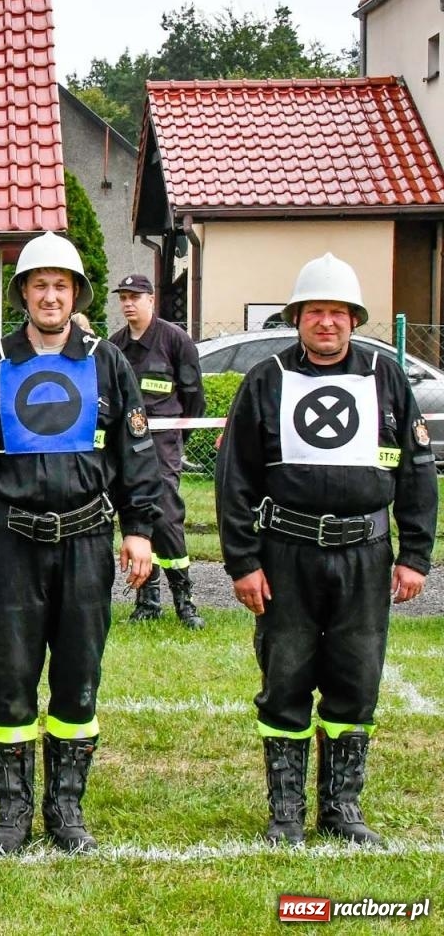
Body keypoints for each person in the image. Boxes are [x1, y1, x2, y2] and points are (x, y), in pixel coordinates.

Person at [0, 231, 160, 854]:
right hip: (12, 541)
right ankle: (12, 815)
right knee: (9, 678)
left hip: (87, 540)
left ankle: (66, 811)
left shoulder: (106, 361)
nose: (49, 295)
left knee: (77, 680)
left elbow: (134, 453)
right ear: (22, 294)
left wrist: (139, 528)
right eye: (38, 285)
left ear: (75, 294)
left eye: (60, 286)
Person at [216, 253, 435, 846]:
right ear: (297, 318)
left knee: (355, 680)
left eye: (338, 312)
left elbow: (417, 472)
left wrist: (414, 555)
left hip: (365, 556)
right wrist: (243, 561)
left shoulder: (386, 378)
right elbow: (235, 476)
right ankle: (285, 811)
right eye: (315, 311)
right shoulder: (266, 380)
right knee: (285, 678)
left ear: (355, 319)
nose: (327, 323)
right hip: (287, 553)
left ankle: (341, 808)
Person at [110, 274, 207, 628]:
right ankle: (147, 600)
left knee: (165, 518)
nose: (128, 303)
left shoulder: (174, 340)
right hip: (127, 446)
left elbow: (194, 397)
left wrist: (180, 441)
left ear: (152, 300)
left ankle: (185, 600)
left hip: (163, 444)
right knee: (135, 515)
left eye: (135, 296)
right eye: (123, 297)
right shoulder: (116, 345)